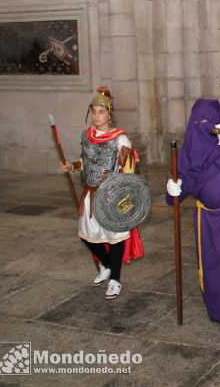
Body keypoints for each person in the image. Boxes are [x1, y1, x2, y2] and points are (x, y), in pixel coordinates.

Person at [165, 99, 220, 337]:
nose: (201, 126)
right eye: (197, 122)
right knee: (213, 266)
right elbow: (181, 181)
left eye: (207, 122)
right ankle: (218, 309)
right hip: (206, 217)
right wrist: (173, 189)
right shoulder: (188, 150)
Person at [60, 86, 144, 300]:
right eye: (94, 112)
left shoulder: (120, 139)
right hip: (90, 194)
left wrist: (117, 184)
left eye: (101, 112)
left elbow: (129, 171)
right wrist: (72, 166)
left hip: (111, 197)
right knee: (87, 236)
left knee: (114, 237)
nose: (97, 116)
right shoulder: (86, 136)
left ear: (109, 114)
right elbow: (87, 162)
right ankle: (105, 265)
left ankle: (115, 280)